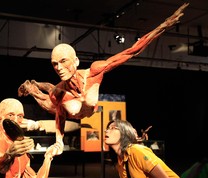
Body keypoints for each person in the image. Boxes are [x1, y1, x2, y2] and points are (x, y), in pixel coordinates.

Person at [18, 3, 189, 155]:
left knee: (80, 98)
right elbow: (60, 117)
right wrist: (59, 141)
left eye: (63, 62)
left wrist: (163, 26)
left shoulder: (94, 71)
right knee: (51, 98)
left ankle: (35, 87)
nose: (59, 68)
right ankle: (33, 89)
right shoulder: (60, 92)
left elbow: (131, 51)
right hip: (73, 108)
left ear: (76, 61)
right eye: (55, 64)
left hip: (87, 104)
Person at [104, 119, 180, 178]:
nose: (106, 131)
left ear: (124, 133)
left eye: (113, 128)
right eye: (107, 128)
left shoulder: (136, 151)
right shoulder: (119, 161)